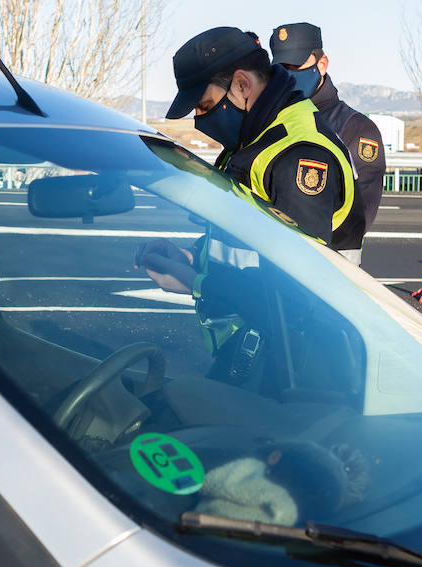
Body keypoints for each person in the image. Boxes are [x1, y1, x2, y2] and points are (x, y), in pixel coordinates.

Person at [138, 26, 364, 359]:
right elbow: (248, 242)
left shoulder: (297, 155)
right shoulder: (253, 139)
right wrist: (192, 257)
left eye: (205, 105)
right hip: (259, 348)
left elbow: (295, 300)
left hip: (300, 365)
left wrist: (195, 281)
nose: (200, 120)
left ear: (243, 85)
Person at [270, 21, 385, 264]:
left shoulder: (356, 128)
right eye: (281, 67)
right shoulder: (270, 119)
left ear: (322, 65)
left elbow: (358, 215)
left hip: (331, 272)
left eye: (296, 66)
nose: (288, 74)